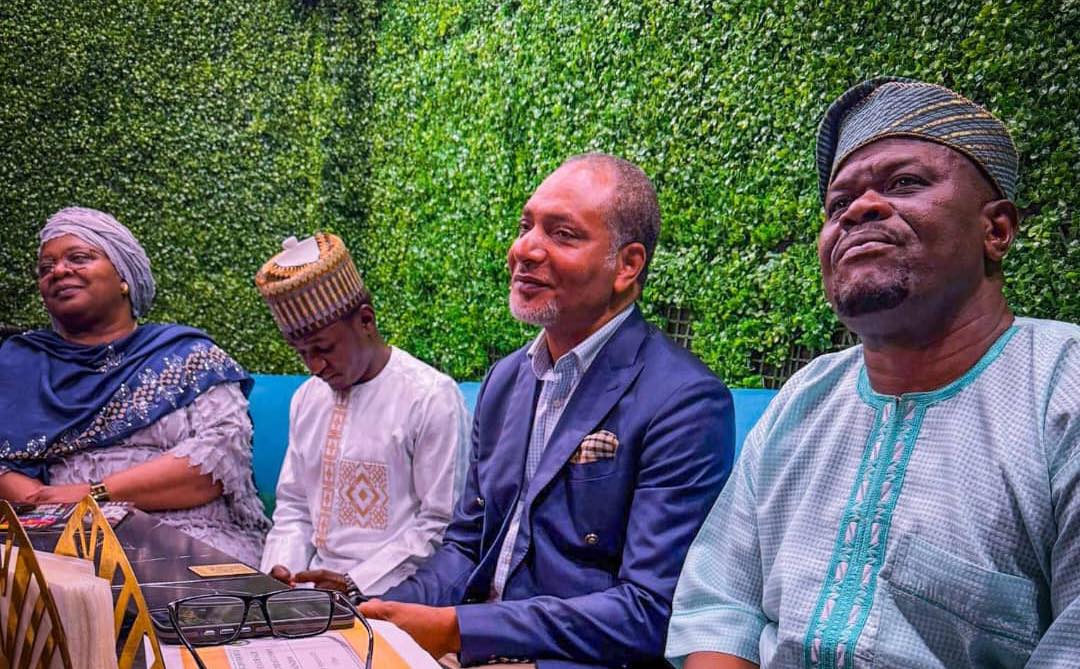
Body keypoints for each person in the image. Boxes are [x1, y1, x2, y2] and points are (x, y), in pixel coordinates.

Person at [666, 77, 1080, 669]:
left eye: (905, 183)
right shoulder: (805, 398)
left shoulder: (1063, 390)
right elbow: (722, 603)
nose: (859, 209)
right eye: (838, 205)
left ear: (996, 230)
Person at [361, 153, 736, 668]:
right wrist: (373, 615)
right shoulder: (504, 381)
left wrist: (461, 630)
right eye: (526, 226)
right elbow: (466, 548)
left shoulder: (684, 401)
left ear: (627, 266)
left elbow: (649, 610)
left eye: (562, 234)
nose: (524, 249)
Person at [0, 206, 270, 565]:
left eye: (79, 258)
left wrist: (91, 494)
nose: (59, 271)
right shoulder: (21, 363)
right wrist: (40, 503)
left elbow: (220, 457)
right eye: (46, 267)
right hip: (60, 536)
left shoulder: (187, 356)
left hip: (189, 534)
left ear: (123, 277)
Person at [255, 232, 469, 598]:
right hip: (313, 595)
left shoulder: (431, 397)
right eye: (302, 353)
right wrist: (282, 575)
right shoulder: (307, 399)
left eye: (324, 348)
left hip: (400, 596)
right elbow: (294, 507)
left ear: (366, 321)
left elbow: (440, 524)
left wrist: (356, 583)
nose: (315, 366)